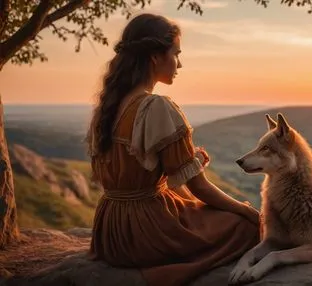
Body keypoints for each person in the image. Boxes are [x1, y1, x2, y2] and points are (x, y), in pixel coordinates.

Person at [85, 13, 261, 286]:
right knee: (246, 226)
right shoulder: (156, 107)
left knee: (200, 211)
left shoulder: (108, 106)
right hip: (146, 232)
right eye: (176, 53)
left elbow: (134, 171)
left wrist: (188, 163)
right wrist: (248, 211)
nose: (180, 63)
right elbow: (199, 187)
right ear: (155, 56)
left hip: (110, 231)